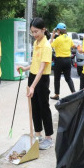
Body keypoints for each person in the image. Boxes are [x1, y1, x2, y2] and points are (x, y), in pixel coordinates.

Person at [17, 18, 53, 150]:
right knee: (34, 107)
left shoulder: (46, 46)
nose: (34, 35)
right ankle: (38, 135)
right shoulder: (36, 43)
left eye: (36, 31)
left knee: (44, 107)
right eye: (32, 32)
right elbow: (35, 63)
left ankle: (49, 138)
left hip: (42, 79)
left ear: (44, 29)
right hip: (33, 76)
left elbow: (42, 68)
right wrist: (25, 68)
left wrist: (32, 86)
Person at [49, 22, 75, 100]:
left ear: (58, 31)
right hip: (68, 60)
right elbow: (73, 46)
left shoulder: (58, 39)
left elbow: (50, 45)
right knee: (68, 78)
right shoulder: (69, 38)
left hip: (59, 60)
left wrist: (52, 37)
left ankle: (57, 95)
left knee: (57, 78)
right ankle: (73, 93)